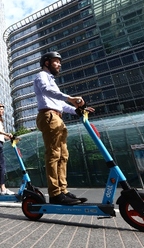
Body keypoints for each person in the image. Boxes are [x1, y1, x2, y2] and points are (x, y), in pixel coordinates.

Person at [34, 51, 95, 205]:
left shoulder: (52, 81)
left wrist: (78, 110)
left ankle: (63, 190)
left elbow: (60, 104)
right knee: (54, 154)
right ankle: (55, 194)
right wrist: (70, 98)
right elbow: (47, 91)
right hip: (49, 117)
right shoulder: (42, 76)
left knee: (63, 155)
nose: (59, 64)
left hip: (57, 117)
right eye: (56, 61)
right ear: (47, 63)